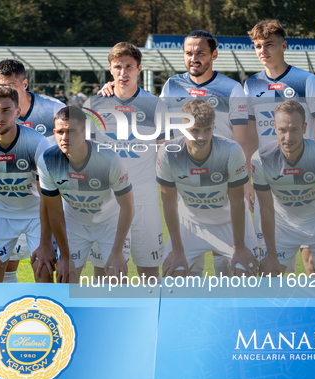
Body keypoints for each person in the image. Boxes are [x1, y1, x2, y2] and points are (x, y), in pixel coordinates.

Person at [101, 31, 255, 277]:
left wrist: (244, 181)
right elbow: (153, 120)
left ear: (213, 55)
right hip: (187, 186)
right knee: (182, 269)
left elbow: (242, 140)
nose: (194, 58)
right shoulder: (172, 85)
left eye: (200, 53)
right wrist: (114, 86)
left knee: (229, 266)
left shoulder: (232, 88)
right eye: (188, 53)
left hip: (224, 183)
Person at [245, 19, 315, 275]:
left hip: (305, 187)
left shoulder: (305, 81)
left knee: (314, 265)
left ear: (284, 46)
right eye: (258, 46)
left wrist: (314, 172)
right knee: (271, 269)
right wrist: (248, 179)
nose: (263, 51)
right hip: (268, 187)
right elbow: (251, 137)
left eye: (269, 45)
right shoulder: (251, 85)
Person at [84, 42, 166, 281]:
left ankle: (150, 318)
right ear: (110, 69)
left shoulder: (155, 105)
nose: (123, 72)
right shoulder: (94, 104)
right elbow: (87, 153)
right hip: (106, 202)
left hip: (144, 200)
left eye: (129, 66)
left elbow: (165, 151)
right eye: (118, 66)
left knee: (149, 274)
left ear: (139, 69)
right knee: (107, 273)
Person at [157, 99, 258, 278]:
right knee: (173, 276)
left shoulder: (231, 151)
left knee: (245, 276)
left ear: (213, 126)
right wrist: (178, 251)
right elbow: (169, 203)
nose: (201, 137)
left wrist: (239, 248)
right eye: (194, 131)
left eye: (207, 130)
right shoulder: (168, 153)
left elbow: (237, 202)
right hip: (190, 223)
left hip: (228, 222)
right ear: (182, 128)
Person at [0, 84, 54, 283]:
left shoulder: (37, 143)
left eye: (6, 110)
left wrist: (46, 243)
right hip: (0, 212)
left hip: (36, 213)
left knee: (44, 270)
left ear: (17, 112)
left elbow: (47, 197)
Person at [38, 106, 134, 283]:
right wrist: (65, 256)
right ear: (54, 132)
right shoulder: (47, 161)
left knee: (115, 281)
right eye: (60, 132)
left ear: (85, 132)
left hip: (109, 224)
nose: (65, 137)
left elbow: (127, 207)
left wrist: (117, 251)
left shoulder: (110, 159)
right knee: (66, 280)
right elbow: (55, 212)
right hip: (75, 224)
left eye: (72, 131)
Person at [252, 100, 315, 275]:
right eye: (283, 130)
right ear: (274, 128)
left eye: (294, 129)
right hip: (282, 226)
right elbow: (266, 209)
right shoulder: (260, 159)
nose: (288, 137)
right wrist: (271, 255)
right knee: (269, 276)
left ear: (304, 128)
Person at [0, 59, 65, 283]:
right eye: (1, 87)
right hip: (11, 201)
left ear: (25, 84)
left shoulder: (53, 109)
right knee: (2, 266)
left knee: (48, 267)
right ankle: (6, 315)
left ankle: (57, 314)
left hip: (48, 202)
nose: (6, 93)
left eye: (12, 87)